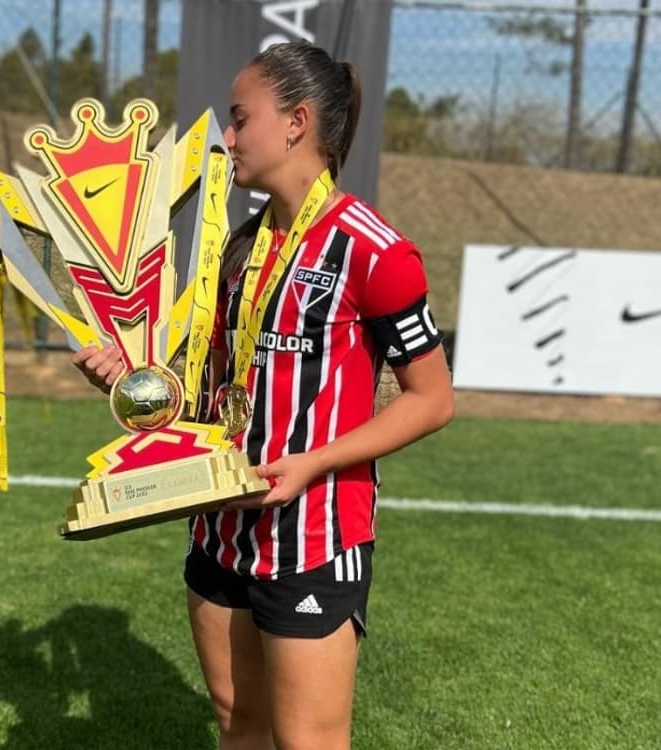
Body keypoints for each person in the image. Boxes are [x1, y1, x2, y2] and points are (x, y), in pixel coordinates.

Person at [72, 40, 454, 750]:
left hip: (312, 538)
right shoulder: (234, 248)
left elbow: (431, 400)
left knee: (307, 741)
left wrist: (311, 463)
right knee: (237, 726)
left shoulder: (374, 252)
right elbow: (210, 396)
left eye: (240, 118)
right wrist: (132, 380)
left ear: (297, 122)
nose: (226, 137)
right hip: (218, 529)